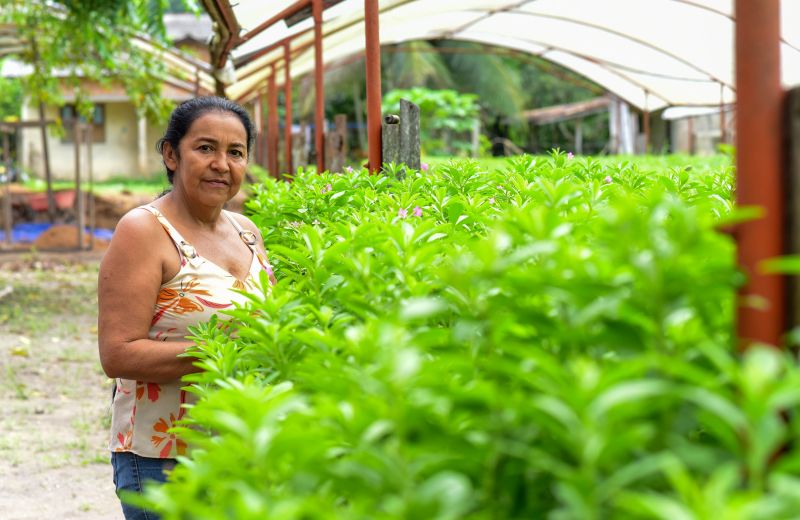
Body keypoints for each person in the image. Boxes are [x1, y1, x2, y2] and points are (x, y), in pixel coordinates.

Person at [97, 96, 276, 520]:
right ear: (171, 154)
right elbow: (118, 352)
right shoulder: (145, 231)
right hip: (165, 457)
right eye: (205, 148)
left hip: (241, 446)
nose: (221, 164)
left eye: (236, 152)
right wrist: (227, 353)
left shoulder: (247, 232)